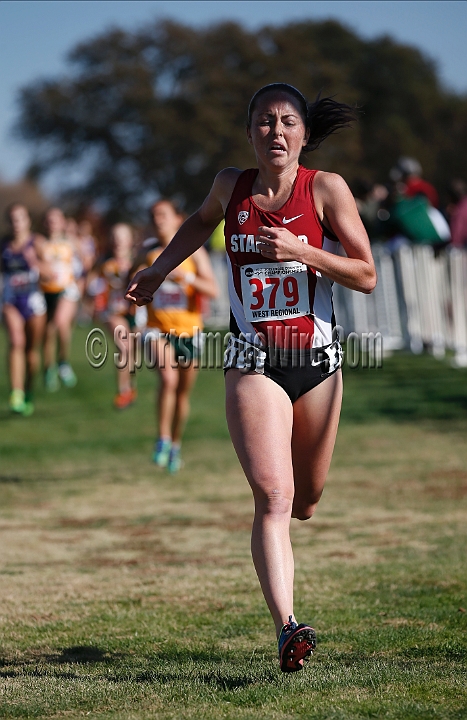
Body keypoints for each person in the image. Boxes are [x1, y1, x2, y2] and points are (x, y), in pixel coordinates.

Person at [126, 83, 376, 670]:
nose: (277, 132)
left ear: (304, 133)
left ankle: (291, 561)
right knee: (273, 495)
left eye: (288, 121)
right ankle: (288, 628)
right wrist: (160, 270)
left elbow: (365, 274)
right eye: (265, 122)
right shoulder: (228, 187)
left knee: (307, 501)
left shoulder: (326, 189)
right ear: (250, 134)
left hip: (316, 362)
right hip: (251, 356)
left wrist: (303, 250)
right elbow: (197, 222)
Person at [142, 199, 218, 473]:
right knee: (168, 378)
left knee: (182, 393)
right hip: (157, 329)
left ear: (178, 218)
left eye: (163, 214)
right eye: (153, 215)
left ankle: (175, 444)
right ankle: (162, 439)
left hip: (189, 331)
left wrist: (183, 279)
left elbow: (213, 290)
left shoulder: (195, 253)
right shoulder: (148, 254)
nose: (158, 219)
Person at [1, 203, 47, 415]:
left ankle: (28, 389)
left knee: (30, 352)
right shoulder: (4, 245)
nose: (16, 223)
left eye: (20, 218)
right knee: (16, 341)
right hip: (11, 301)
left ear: (28, 220)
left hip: (34, 302)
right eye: (12, 219)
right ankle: (16, 392)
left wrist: (35, 262)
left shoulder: (37, 243)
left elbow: (52, 274)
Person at [89, 223, 138, 409]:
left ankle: (130, 387)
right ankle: (123, 390)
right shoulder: (104, 263)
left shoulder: (139, 260)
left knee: (132, 350)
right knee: (124, 346)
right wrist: (95, 303)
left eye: (122, 236)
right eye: (115, 237)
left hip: (136, 311)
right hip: (113, 312)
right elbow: (93, 285)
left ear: (130, 240)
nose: (118, 241)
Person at [37, 207, 80, 391]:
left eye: (56, 219)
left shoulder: (71, 243)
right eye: (48, 219)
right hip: (45, 291)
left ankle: (63, 361)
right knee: (48, 331)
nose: (52, 223)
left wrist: (83, 281)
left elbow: (86, 264)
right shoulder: (39, 243)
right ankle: (49, 368)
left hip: (67, 290)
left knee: (61, 323)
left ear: (63, 222)